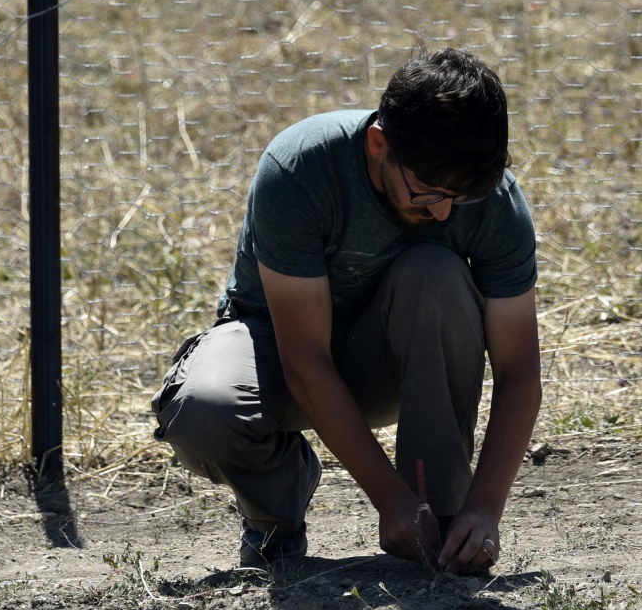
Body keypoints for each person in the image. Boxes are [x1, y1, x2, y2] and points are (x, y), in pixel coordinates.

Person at [151, 48, 541, 573]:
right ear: (379, 144)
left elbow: (519, 372)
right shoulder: (300, 168)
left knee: (437, 273)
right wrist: (390, 500)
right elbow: (306, 359)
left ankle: (443, 530)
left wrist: (484, 508)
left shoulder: (491, 198)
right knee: (203, 412)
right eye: (428, 193)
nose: (445, 211)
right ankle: (277, 515)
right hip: (281, 354)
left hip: (390, 365)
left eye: (461, 197)